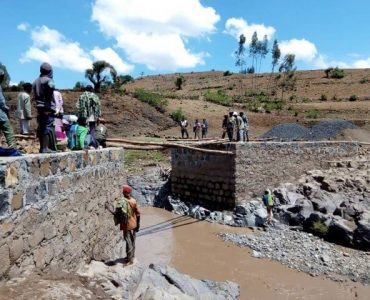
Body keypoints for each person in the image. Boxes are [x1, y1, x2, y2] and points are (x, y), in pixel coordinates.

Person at [105, 185, 140, 266]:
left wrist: (108, 208)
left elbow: (115, 213)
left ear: (124, 193)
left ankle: (129, 260)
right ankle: (131, 256)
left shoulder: (121, 202)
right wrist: (138, 225)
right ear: (130, 193)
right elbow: (138, 214)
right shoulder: (133, 201)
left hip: (126, 225)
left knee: (128, 241)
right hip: (134, 223)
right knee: (133, 240)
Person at [33, 62, 57, 153]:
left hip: (39, 106)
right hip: (47, 106)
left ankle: (42, 147)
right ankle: (45, 148)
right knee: (47, 126)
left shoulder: (35, 81)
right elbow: (50, 93)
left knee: (42, 126)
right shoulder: (49, 81)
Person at [0, 69, 17, 148]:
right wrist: (6, 108)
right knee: (8, 130)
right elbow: (1, 101)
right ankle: (13, 147)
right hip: (1, 115)